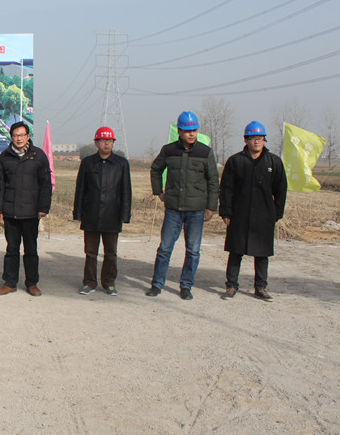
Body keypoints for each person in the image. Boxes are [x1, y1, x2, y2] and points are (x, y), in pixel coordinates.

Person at [146, 111, 219, 300]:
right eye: (187, 131)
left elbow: (213, 181)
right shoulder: (169, 150)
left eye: (194, 130)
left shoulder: (205, 152)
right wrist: (158, 191)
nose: (191, 134)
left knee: (193, 250)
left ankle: (186, 286)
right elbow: (155, 169)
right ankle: (157, 284)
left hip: (196, 210)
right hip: (174, 210)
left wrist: (211, 207)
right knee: (165, 248)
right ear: (179, 131)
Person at [219, 121, 287, 302]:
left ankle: (261, 287)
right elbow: (226, 189)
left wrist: (277, 213)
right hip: (239, 214)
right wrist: (226, 212)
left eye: (260, 138)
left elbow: (281, 189)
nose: (257, 141)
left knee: (262, 253)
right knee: (236, 251)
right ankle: (231, 285)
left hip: (264, 215)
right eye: (252, 138)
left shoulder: (273, 162)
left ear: (264, 140)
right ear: (246, 140)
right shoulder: (236, 161)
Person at [0, 122, 52, 296]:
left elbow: (45, 184)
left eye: (22, 135)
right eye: (15, 135)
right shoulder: (4, 157)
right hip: (10, 211)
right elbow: (0, 185)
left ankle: (32, 283)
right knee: (11, 249)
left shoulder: (38, 156)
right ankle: (10, 282)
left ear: (28, 136)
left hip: (31, 212)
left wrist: (43, 207)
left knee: (31, 250)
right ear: (11, 137)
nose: (18, 138)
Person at [72, 126, 131, 296]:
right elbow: (80, 189)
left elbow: (126, 191)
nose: (107, 144)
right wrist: (78, 213)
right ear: (96, 143)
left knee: (111, 253)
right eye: (103, 140)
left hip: (112, 215)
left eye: (110, 141)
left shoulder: (121, 164)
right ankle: (89, 282)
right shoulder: (88, 163)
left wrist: (125, 214)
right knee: (90, 252)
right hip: (91, 214)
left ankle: (109, 283)